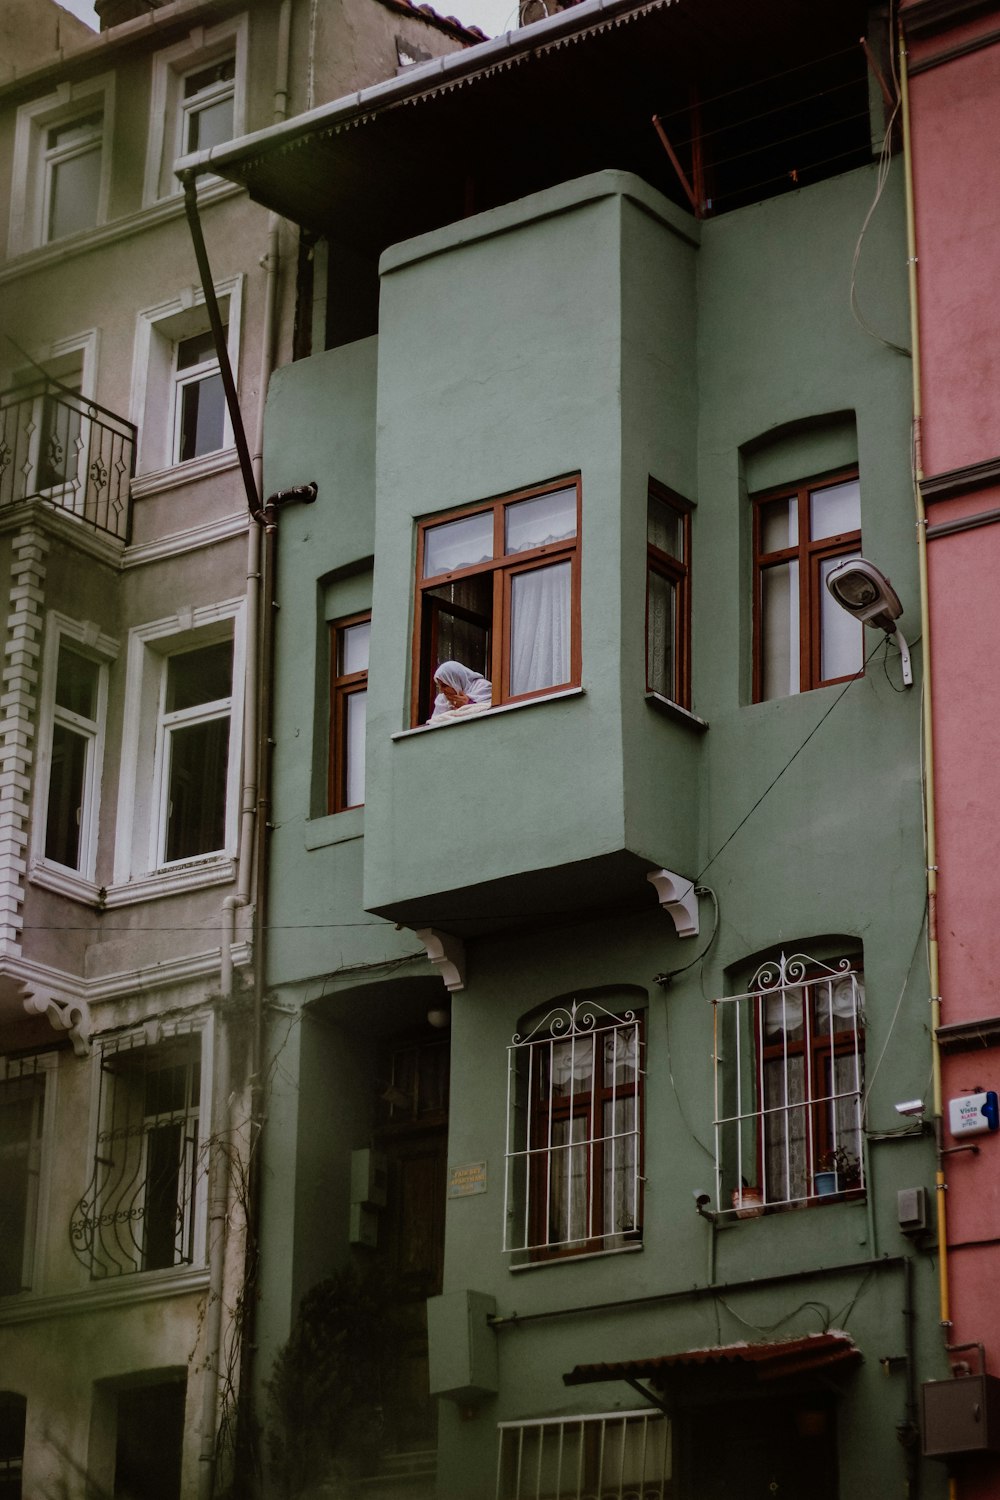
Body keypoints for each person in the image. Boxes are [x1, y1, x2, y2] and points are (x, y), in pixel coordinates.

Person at [428, 660, 493, 723]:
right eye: (439, 686)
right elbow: (434, 723)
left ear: (455, 681)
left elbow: (492, 716)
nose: (441, 691)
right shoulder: (442, 700)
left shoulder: (482, 687)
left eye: (444, 685)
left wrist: (469, 704)